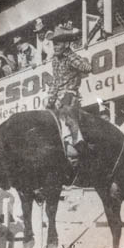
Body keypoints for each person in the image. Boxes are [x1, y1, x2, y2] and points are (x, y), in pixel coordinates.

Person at [45, 23, 92, 167]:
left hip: (70, 94)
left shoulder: (71, 56)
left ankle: (78, 141)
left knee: (66, 113)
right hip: (58, 96)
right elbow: (55, 81)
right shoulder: (54, 59)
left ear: (66, 44)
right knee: (48, 115)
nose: (55, 47)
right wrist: (50, 97)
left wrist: (74, 59)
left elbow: (87, 68)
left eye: (58, 44)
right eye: (54, 44)